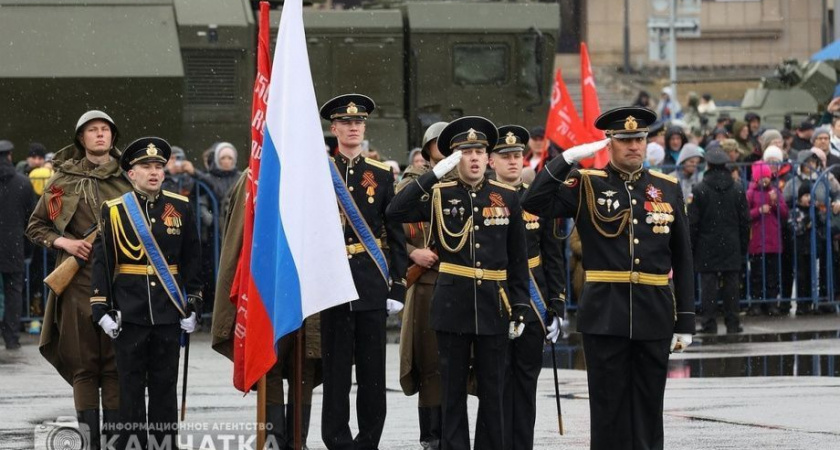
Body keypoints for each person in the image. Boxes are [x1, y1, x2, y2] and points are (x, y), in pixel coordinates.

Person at [521, 106, 695, 450]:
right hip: (605, 313)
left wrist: (686, 320)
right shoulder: (586, 184)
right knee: (607, 411)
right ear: (609, 143)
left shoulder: (667, 188)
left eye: (640, 139)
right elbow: (534, 201)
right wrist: (566, 159)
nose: (634, 146)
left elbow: (683, 257)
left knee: (648, 410)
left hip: (654, 312)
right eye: (626, 140)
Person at [387, 116, 531, 450]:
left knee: (492, 391)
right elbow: (395, 211)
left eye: (480, 150)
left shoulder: (506, 197)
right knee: (451, 393)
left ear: (489, 157)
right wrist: (434, 174)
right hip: (452, 304)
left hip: (494, 303)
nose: (476, 157)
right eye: (467, 151)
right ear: (455, 157)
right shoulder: (439, 194)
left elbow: (517, 259)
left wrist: (520, 305)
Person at [26, 110, 132, 449]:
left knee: (114, 365)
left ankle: (115, 441)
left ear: (113, 137)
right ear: (81, 138)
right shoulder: (62, 181)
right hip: (77, 284)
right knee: (85, 367)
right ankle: (90, 441)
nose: (100, 135)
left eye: (105, 130)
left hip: (120, 283)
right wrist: (65, 242)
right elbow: (36, 226)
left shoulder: (129, 178)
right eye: (92, 130)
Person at [90, 137, 202, 449]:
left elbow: (193, 260)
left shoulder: (180, 207)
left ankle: (165, 445)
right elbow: (103, 261)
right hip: (131, 310)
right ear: (130, 173)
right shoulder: (114, 211)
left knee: (165, 387)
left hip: (168, 311)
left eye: (158, 166)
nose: (153, 172)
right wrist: (101, 308)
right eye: (145, 166)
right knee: (131, 387)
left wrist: (193, 302)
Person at [317, 93, 408, 450]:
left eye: (359, 122)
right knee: (336, 372)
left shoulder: (382, 174)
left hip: (371, 281)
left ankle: (369, 440)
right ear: (334, 128)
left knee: (372, 373)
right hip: (332, 280)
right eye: (346, 122)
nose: (354, 127)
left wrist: (397, 285)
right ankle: (337, 440)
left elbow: (395, 232)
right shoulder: (320, 171)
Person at [212, 170, 323, 449]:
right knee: (268, 362)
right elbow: (239, 235)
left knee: (305, 362)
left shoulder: (313, 169)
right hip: (267, 286)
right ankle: (274, 440)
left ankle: (298, 440)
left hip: (306, 283)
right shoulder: (254, 173)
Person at [489, 125, 566, 450]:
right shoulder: (485, 200)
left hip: (533, 305)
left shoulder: (537, 200)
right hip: (496, 299)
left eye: (517, 155)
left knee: (526, 383)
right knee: (497, 384)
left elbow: (552, 254)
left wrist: (557, 305)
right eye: (505, 156)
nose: (512, 162)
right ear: (492, 160)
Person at [396, 121, 447, 450]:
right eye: (440, 143)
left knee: (457, 364)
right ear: (427, 148)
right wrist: (413, 252)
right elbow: (391, 225)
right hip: (425, 281)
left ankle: (454, 433)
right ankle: (431, 436)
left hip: (460, 281)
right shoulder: (412, 184)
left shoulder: (469, 184)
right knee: (429, 363)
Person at [689, 148, 750, 334]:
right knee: (732, 285)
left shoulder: (699, 190)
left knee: (708, 286)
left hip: (706, 244)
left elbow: (693, 222)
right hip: (732, 243)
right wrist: (742, 246)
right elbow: (745, 221)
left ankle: (709, 323)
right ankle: (733, 322)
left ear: (708, 165)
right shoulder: (738, 189)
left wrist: (692, 246)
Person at [0, 142, 36, 350]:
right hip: (14, 245)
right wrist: (27, 247)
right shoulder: (23, 183)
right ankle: (12, 337)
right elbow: (31, 218)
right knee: (14, 292)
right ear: (10, 156)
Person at [746, 162, 788, 316]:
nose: (764, 180)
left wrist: (776, 202)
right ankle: (756, 303)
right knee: (757, 274)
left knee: (772, 274)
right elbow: (745, 215)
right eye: (761, 177)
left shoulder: (775, 191)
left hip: (773, 240)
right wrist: (758, 211)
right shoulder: (750, 194)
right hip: (757, 240)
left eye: (766, 176)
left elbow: (784, 213)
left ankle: (771, 302)